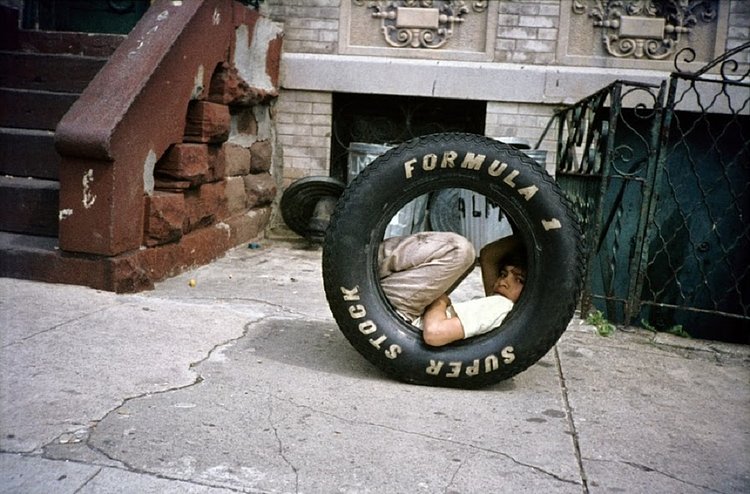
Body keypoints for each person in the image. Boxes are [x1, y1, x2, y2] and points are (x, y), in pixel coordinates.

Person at [378, 231, 526, 347]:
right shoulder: (508, 317)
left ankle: (365, 258)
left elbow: (434, 334)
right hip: (403, 317)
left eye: (519, 280)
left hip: (399, 319)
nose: (503, 282)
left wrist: (440, 301)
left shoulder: (501, 306)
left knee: (460, 251)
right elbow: (488, 256)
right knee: (469, 262)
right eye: (503, 274)